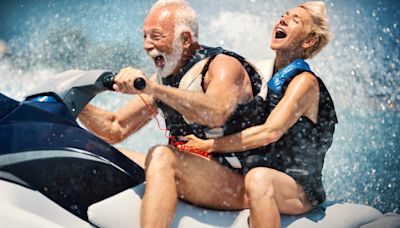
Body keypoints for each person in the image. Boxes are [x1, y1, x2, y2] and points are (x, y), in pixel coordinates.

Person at [79, 1, 267, 226]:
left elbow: (216, 112)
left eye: (156, 36)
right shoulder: (164, 76)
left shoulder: (223, 65)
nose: (147, 45)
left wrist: (153, 90)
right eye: (145, 37)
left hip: (238, 182)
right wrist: (77, 99)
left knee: (162, 155)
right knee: (98, 153)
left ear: (185, 39)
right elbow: (115, 128)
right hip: (193, 169)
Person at [181, 1, 338, 227]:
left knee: (258, 178)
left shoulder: (305, 83)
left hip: (300, 188)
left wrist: (212, 145)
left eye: (295, 20)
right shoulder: (264, 74)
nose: (282, 20)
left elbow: (269, 132)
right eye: (284, 15)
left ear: (308, 41)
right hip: (259, 171)